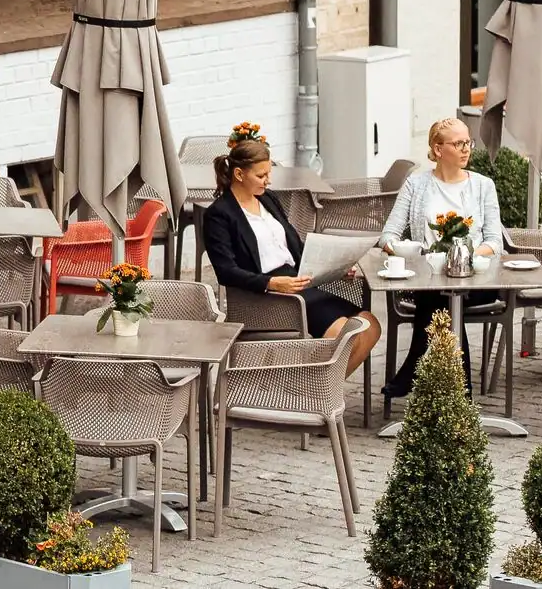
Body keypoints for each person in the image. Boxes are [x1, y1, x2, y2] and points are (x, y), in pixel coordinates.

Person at [203, 132, 380, 375]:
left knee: (370, 324)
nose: (267, 181)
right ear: (239, 174)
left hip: (297, 284)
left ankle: (320, 391)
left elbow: (292, 244)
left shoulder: (267, 199)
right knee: (345, 333)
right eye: (261, 175)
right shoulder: (219, 215)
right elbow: (226, 272)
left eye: (269, 174)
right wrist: (272, 283)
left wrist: (336, 265)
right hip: (265, 295)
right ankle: (319, 393)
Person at [377, 117, 506, 396]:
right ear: (437, 150)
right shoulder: (416, 185)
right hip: (428, 279)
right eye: (458, 143)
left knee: (443, 299)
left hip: (475, 279)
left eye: (468, 142)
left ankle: (413, 367)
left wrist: (463, 254)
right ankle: (463, 396)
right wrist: (414, 251)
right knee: (441, 298)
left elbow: (495, 242)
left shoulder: (483, 186)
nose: (466, 149)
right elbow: (388, 237)